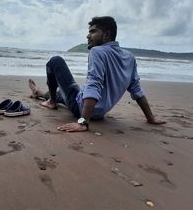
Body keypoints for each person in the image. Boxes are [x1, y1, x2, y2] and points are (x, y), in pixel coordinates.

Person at [29, 16, 166, 132]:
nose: (88, 36)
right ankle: (39, 93)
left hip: (82, 108)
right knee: (62, 94)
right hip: (99, 112)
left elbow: (94, 85)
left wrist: (82, 122)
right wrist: (151, 118)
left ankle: (51, 102)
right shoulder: (129, 57)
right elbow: (136, 90)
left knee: (55, 61)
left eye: (93, 32)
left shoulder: (97, 51)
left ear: (106, 34)